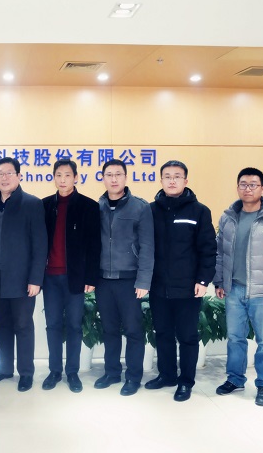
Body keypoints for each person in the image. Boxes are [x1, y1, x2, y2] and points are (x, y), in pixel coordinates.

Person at [214, 167, 263, 406]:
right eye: (243, 184)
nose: (247, 189)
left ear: (262, 188)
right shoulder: (229, 217)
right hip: (234, 290)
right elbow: (220, 253)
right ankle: (235, 379)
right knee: (235, 338)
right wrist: (219, 281)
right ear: (237, 187)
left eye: (253, 184)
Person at [144, 160, 216, 402]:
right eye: (167, 176)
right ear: (161, 180)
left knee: (187, 336)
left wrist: (203, 281)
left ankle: (186, 381)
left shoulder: (199, 211)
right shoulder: (150, 211)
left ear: (186, 181)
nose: (172, 180)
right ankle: (167, 375)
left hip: (188, 288)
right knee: (163, 333)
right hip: (158, 286)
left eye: (177, 176)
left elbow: (208, 249)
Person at [0, 157, 47, 392]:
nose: (5, 177)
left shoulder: (32, 203)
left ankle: (26, 372)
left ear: (19, 176)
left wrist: (35, 279)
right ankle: (5, 368)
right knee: (1, 324)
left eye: (9, 173)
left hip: (21, 278)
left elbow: (40, 244)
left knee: (23, 325)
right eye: (0, 173)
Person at [94, 158, 154, 396]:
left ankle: (133, 377)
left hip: (129, 280)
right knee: (109, 329)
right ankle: (111, 372)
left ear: (125, 177)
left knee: (133, 331)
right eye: (109, 174)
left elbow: (147, 247)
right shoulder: (97, 207)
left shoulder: (140, 207)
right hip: (103, 280)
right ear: (103, 178)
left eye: (118, 174)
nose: (114, 179)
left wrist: (143, 281)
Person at [40, 159, 101, 393]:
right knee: (53, 325)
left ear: (76, 178)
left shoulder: (88, 206)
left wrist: (91, 277)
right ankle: (55, 371)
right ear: (54, 178)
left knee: (75, 326)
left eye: (67, 175)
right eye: (59, 175)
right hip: (50, 278)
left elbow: (94, 246)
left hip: (75, 278)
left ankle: (72, 372)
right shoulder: (45, 205)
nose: (63, 179)